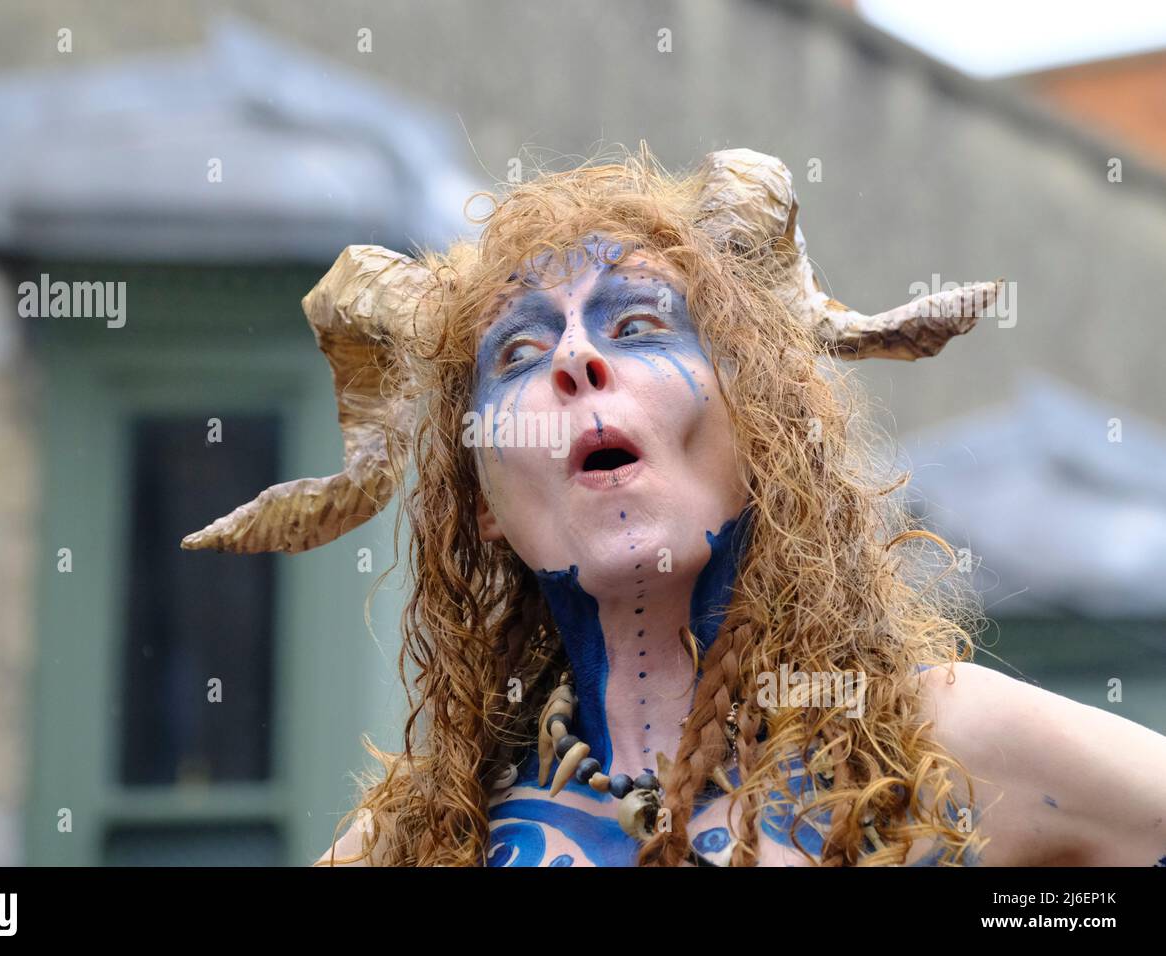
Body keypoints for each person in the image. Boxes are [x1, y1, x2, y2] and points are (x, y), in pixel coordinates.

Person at [183, 146, 1166, 867]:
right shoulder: (422, 838)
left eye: (639, 325)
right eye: (519, 354)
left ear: (757, 435)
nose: (575, 356)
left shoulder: (948, 744)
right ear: (481, 500)